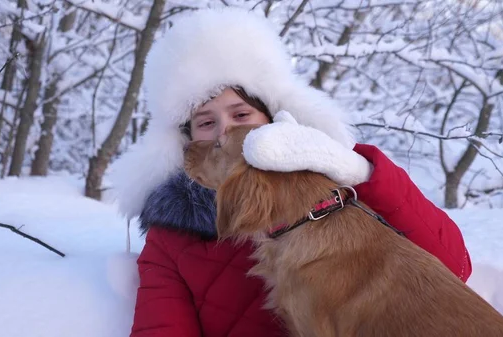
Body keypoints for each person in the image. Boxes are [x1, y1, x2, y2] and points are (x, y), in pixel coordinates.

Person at [113, 7, 472, 337]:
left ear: (272, 116)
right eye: (206, 122)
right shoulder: (172, 238)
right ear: (185, 140)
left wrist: (359, 171)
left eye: (241, 115)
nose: (224, 131)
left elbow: (455, 268)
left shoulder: (341, 190)